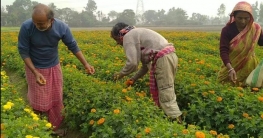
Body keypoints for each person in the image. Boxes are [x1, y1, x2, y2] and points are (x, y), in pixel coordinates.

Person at [17, 3, 95, 136]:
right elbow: (23, 51)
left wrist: (86, 64)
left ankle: (54, 128)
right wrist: (35, 72)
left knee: (56, 97)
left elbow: (73, 45)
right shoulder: (26, 26)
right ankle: (37, 127)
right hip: (34, 68)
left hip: (53, 66)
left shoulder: (61, 27)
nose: (37, 26)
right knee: (38, 99)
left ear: (51, 20)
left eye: (41, 23)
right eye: (35, 22)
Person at [111, 22, 182, 123]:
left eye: (116, 40)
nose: (118, 44)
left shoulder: (128, 36)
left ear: (120, 34)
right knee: (167, 89)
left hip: (163, 59)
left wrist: (120, 75)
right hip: (170, 56)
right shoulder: (137, 34)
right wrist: (133, 79)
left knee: (166, 93)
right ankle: (168, 121)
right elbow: (145, 67)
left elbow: (132, 63)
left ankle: (177, 125)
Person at [217, 1, 263, 86]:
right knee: (225, 87)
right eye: (240, 18)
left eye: (246, 18)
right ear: (234, 16)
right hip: (231, 65)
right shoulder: (227, 30)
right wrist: (230, 69)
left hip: (249, 66)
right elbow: (224, 50)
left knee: (249, 89)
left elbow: (261, 42)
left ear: (251, 17)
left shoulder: (255, 29)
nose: (243, 21)